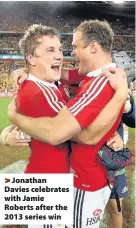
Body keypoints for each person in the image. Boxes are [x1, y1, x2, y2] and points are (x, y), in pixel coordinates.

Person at [8, 20, 128, 228]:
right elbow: (59, 78)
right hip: (49, 182)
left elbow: (66, 133)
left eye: (70, 47)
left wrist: (14, 117)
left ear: (93, 47)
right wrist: (25, 71)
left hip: (70, 179)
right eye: (51, 50)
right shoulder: (83, 79)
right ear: (31, 57)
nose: (67, 54)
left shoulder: (95, 83)